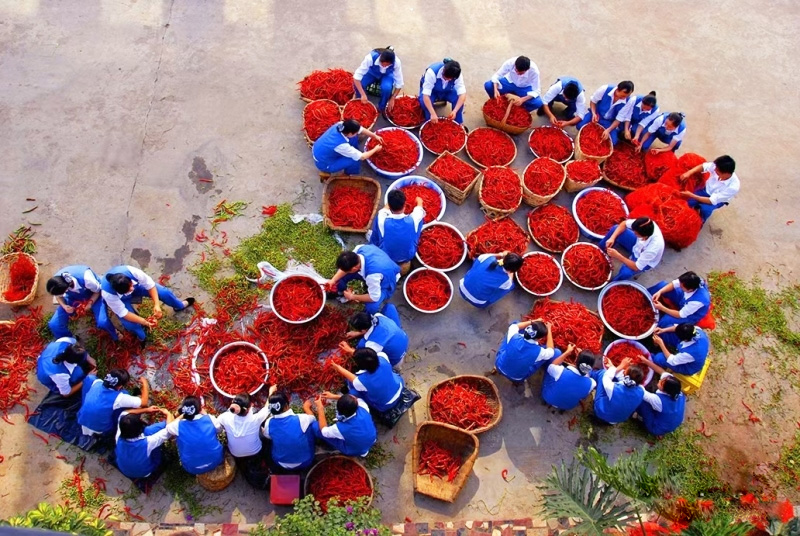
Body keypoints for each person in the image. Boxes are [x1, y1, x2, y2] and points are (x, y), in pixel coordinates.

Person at [100, 265, 194, 343]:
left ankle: (179, 305)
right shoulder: (108, 294)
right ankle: (141, 337)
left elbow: (150, 285)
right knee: (131, 325)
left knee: (164, 293)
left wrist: (156, 305)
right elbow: (123, 313)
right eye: (129, 289)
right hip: (123, 300)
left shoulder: (131, 271)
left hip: (139, 288)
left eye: (131, 285)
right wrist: (145, 322)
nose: (131, 289)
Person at [325, 245, 401, 315]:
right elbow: (343, 270)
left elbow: (374, 297)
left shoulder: (372, 275)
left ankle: (366, 317)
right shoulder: (359, 249)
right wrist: (333, 280)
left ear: (354, 269)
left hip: (386, 281)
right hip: (378, 266)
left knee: (372, 306)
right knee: (339, 279)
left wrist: (352, 296)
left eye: (348, 270)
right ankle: (337, 291)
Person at [261, 389, 320, 472]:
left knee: (273, 436)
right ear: (286, 406)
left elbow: (267, 436)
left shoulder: (269, 422)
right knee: (312, 426)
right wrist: (306, 407)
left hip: (279, 462)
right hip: (305, 461)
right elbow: (313, 418)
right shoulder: (300, 419)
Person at [330, 347, 404, 413]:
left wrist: (338, 367)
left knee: (352, 390)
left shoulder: (362, 381)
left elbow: (352, 378)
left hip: (385, 405)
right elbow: (368, 357)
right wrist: (351, 350)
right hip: (400, 386)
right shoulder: (382, 356)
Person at [78, 368, 148, 437]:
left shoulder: (96, 382)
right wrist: (145, 384)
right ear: (120, 386)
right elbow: (144, 402)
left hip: (81, 420)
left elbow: (89, 378)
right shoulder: (119, 397)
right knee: (124, 398)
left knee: (89, 379)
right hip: (100, 429)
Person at [368, 189, 425, 272]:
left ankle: (373, 248)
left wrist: (391, 201)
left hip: (387, 255)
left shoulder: (382, 219)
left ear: (390, 206)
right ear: (405, 204)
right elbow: (420, 207)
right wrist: (419, 200)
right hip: (408, 255)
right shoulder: (413, 219)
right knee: (419, 222)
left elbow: (383, 210)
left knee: (377, 231)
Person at [45, 265, 108, 339]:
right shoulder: (56, 283)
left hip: (93, 295)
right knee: (54, 324)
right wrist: (64, 306)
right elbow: (58, 296)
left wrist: (90, 303)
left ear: (66, 287)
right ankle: (70, 342)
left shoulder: (87, 279)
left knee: (102, 322)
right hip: (73, 297)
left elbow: (97, 291)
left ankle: (115, 334)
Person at [166, 396, 224, 475]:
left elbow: (168, 427)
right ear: (200, 409)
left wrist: (180, 415)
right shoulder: (210, 419)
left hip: (192, 468)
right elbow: (219, 430)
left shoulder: (178, 425)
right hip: (216, 460)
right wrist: (206, 415)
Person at [114, 407, 174, 480]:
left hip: (124, 469)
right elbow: (170, 430)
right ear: (139, 429)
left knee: (149, 435)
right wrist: (168, 414)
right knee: (149, 432)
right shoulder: (147, 443)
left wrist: (147, 409)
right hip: (145, 472)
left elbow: (123, 414)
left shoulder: (118, 437)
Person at [598, 217, 665, 281]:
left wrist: (617, 255)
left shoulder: (653, 248)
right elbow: (624, 224)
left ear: (645, 236)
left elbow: (636, 267)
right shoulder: (643, 223)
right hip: (637, 245)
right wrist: (612, 238)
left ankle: (613, 284)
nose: (634, 233)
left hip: (645, 261)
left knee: (625, 273)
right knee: (615, 229)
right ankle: (600, 251)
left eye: (636, 233)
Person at [493, 320, 560, 382]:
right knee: (554, 352)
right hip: (516, 378)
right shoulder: (539, 352)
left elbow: (515, 326)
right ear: (538, 338)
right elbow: (551, 351)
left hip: (499, 365)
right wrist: (549, 330)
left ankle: (497, 368)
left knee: (515, 322)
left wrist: (533, 321)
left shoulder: (514, 336)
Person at [312, 119, 385, 176]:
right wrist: (375, 149)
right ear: (350, 133)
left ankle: (354, 152)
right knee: (354, 159)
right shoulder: (341, 145)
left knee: (353, 138)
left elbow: (361, 129)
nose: (358, 133)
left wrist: (375, 136)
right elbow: (362, 157)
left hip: (321, 150)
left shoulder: (341, 125)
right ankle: (348, 174)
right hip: (325, 163)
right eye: (356, 132)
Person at [679, 155, 740, 223]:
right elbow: (703, 166)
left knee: (705, 210)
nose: (714, 170)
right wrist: (689, 173)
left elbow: (711, 201)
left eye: (717, 170)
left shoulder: (733, 187)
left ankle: (701, 221)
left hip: (718, 200)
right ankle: (697, 205)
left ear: (726, 174)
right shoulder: (717, 167)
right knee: (687, 203)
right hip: (706, 189)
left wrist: (692, 195)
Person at [316, 393, 377, 457]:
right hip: (372, 438)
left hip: (357, 450)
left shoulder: (340, 428)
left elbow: (324, 431)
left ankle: (334, 448)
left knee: (316, 427)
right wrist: (333, 396)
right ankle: (364, 448)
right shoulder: (363, 407)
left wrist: (320, 408)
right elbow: (354, 401)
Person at [576, 81, 636, 145]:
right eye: (622, 96)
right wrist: (593, 113)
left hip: (609, 122)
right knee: (579, 125)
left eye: (627, 96)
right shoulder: (605, 89)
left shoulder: (627, 101)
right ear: (618, 89)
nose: (624, 98)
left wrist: (608, 130)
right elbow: (593, 101)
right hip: (597, 114)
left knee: (613, 142)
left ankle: (616, 131)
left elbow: (619, 119)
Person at [217, 392, 270, 461]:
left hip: (235, 454)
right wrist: (271, 392)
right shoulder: (255, 419)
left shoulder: (225, 417)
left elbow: (216, 425)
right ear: (249, 407)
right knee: (262, 430)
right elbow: (267, 408)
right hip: (255, 451)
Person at [637, 360, 686, 436]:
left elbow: (641, 391)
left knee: (642, 402)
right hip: (674, 420)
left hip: (657, 428)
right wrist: (645, 361)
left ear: (666, 391)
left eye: (661, 383)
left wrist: (634, 377)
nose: (660, 380)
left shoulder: (659, 401)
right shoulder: (676, 390)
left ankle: (640, 418)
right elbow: (661, 371)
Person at [459, 251, 523, 309]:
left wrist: (501, 254)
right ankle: (486, 302)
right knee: (510, 287)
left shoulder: (487, 257)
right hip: (477, 302)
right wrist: (512, 273)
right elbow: (510, 281)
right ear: (514, 270)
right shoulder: (506, 280)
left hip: (462, 287)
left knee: (478, 264)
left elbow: (494, 256)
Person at [591, 357, 646, 425]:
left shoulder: (613, 389)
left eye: (625, 371)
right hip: (615, 421)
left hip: (601, 414)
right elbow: (623, 379)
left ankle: (590, 373)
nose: (623, 371)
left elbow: (606, 376)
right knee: (614, 378)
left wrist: (621, 365)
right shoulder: (641, 390)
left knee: (603, 373)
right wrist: (612, 367)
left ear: (626, 377)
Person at [353, 46, 404, 112]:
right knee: (360, 84)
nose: (384, 66)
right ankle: (360, 102)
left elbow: (399, 83)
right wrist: (362, 94)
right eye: (382, 64)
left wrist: (393, 98)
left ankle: (382, 107)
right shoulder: (370, 58)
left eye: (387, 65)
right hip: (372, 72)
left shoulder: (396, 62)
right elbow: (356, 77)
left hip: (387, 75)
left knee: (387, 89)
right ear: (380, 58)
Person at [419, 59, 466, 124]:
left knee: (457, 99)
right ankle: (429, 121)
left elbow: (462, 94)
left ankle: (458, 122)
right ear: (443, 70)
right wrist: (432, 113)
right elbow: (426, 96)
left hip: (448, 90)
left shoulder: (457, 74)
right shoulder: (431, 72)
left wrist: (455, 111)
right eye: (446, 77)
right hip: (433, 91)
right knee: (424, 103)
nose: (448, 80)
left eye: (451, 79)